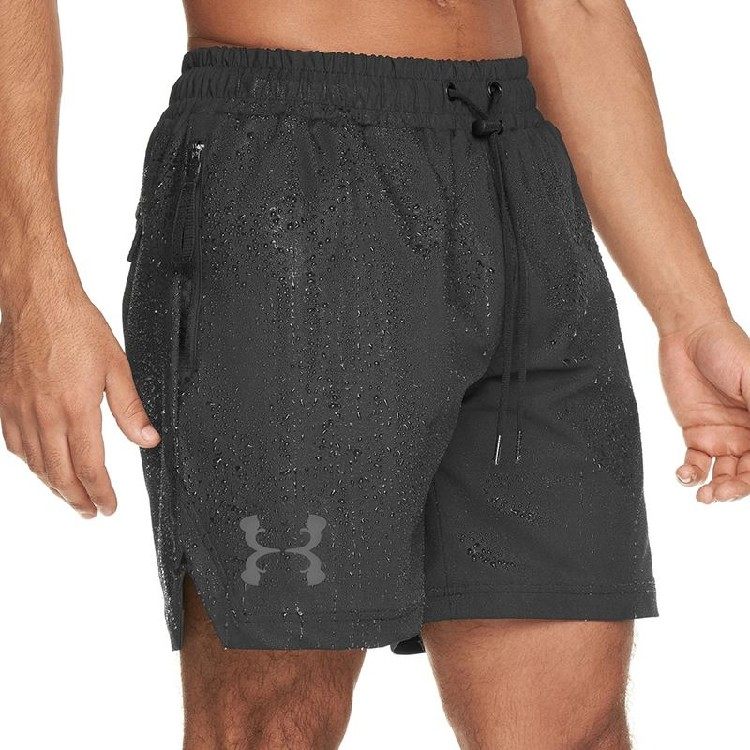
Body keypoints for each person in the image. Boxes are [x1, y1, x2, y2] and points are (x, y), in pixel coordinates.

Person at [1, 1, 748, 748]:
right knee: (277, 719)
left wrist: (692, 316)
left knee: (573, 728)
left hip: (520, 177)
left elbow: (576, 11)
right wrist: (33, 287)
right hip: (292, 176)